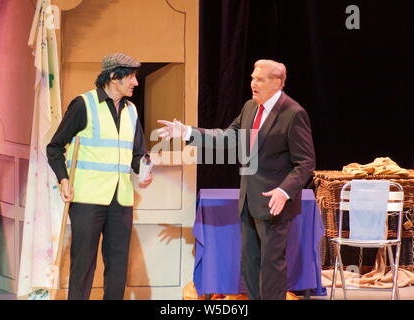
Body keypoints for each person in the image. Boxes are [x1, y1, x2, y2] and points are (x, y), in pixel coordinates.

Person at [157, 59, 315, 300]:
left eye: (260, 79)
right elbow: (227, 138)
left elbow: (305, 163)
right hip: (249, 202)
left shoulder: (293, 113)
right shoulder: (251, 107)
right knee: (249, 265)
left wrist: (284, 191)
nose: (253, 83)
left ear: (278, 83)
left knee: (271, 268)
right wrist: (187, 132)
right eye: (253, 78)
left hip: (274, 204)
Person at [47, 53, 152, 300]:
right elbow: (54, 147)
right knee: (83, 264)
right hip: (87, 199)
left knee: (117, 266)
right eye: (131, 76)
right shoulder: (84, 104)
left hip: (121, 199)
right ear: (114, 77)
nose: (136, 82)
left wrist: (145, 169)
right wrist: (63, 179)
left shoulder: (131, 110)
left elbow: (138, 153)